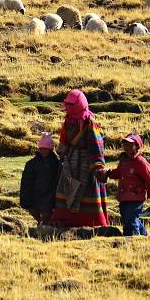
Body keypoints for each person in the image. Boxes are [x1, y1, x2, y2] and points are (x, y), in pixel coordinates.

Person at [51, 89, 109, 227]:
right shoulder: (68, 122)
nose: (69, 108)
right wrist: (62, 152)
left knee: (87, 192)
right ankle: (65, 221)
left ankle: (91, 223)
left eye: (72, 105)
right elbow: (64, 140)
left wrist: (98, 167)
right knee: (66, 190)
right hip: (70, 162)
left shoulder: (90, 124)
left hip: (87, 164)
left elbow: (96, 146)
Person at [109, 132, 150, 236]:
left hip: (136, 197)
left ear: (137, 146)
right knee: (128, 217)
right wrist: (107, 173)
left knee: (131, 218)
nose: (127, 147)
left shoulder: (141, 162)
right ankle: (144, 235)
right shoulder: (123, 160)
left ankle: (131, 239)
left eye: (131, 145)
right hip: (124, 196)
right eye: (125, 144)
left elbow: (149, 179)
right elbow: (118, 172)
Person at [20, 132, 60, 224]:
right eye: (42, 148)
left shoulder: (57, 163)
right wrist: (25, 199)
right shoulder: (31, 164)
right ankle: (41, 226)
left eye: (46, 149)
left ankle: (44, 228)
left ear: (51, 149)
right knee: (39, 216)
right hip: (35, 195)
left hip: (50, 196)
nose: (44, 151)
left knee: (46, 216)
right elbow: (26, 182)